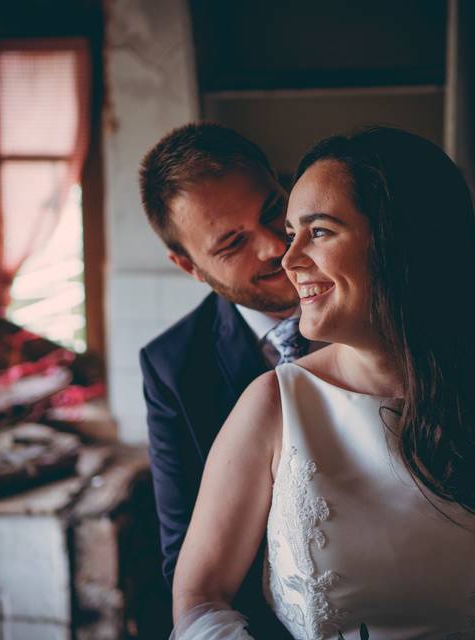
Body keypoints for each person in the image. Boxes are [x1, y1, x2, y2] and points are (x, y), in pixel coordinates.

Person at [169, 127, 475, 639]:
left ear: (401, 241)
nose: (288, 260)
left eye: (317, 232)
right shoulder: (274, 404)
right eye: (292, 231)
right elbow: (200, 596)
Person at [139, 123, 305, 638]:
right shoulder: (172, 368)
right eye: (233, 242)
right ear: (189, 266)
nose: (276, 246)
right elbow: (185, 559)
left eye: (273, 207)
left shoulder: (383, 304)